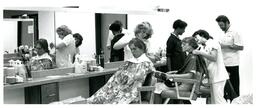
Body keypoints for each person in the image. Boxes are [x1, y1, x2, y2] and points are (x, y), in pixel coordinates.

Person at [69, 38, 155, 104]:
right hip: (117, 88)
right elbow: (117, 77)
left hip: (130, 92)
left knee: (110, 100)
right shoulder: (130, 61)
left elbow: (138, 78)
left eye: (134, 49)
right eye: (131, 49)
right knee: (100, 96)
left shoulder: (146, 63)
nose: (132, 51)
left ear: (142, 49)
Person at [154, 37, 205, 104]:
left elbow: (190, 75)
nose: (181, 46)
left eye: (184, 44)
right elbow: (187, 71)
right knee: (158, 85)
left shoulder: (193, 57)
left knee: (156, 88)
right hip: (184, 84)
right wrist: (174, 72)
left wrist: (171, 76)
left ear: (191, 45)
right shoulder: (191, 55)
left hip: (184, 85)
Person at [192, 29, 229, 104]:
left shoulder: (213, 42)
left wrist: (199, 52)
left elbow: (214, 57)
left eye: (196, 37)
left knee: (219, 101)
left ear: (202, 35)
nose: (195, 40)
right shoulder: (204, 46)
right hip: (213, 76)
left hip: (218, 76)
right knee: (213, 101)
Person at [216, 15, 244, 102]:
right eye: (219, 25)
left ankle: (236, 102)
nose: (221, 27)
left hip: (232, 63)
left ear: (227, 23)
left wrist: (225, 46)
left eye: (222, 25)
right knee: (225, 85)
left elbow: (240, 47)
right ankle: (227, 102)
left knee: (234, 85)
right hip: (224, 63)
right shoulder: (224, 33)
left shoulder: (235, 32)